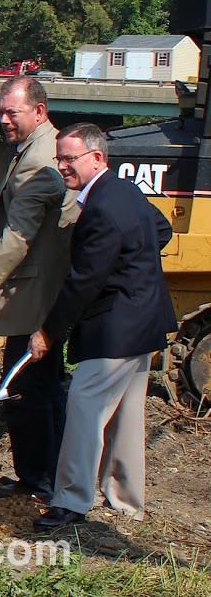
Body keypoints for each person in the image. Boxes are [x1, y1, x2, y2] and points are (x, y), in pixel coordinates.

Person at [27, 123, 174, 528]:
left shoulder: (102, 210)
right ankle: (126, 500)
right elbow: (161, 230)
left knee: (85, 409)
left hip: (114, 328)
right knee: (127, 415)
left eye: (69, 159)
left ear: (97, 158)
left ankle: (71, 502)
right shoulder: (125, 191)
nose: (62, 167)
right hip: (145, 319)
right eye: (59, 159)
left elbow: (83, 282)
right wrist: (133, 265)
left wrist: (48, 331)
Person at [0, 77, 77, 502]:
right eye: (1, 112)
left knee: (31, 390)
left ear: (39, 112)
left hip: (35, 294)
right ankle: (43, 479)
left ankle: (40, 482)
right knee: (41, 387)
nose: (4, 120)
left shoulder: (39, 161)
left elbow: (18, 238)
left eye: (13, 112)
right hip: (43, 289)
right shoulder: (40, 147)